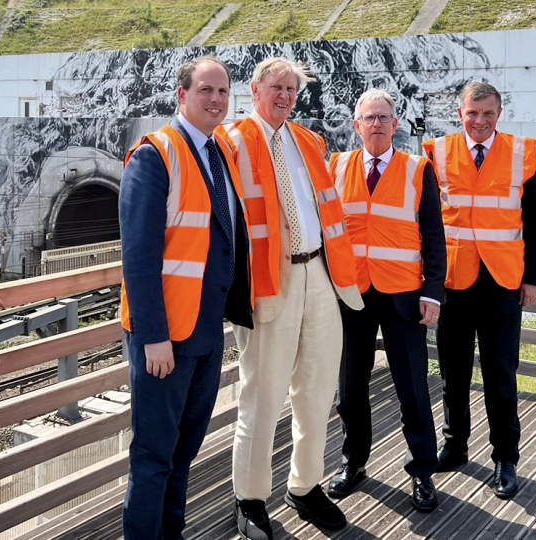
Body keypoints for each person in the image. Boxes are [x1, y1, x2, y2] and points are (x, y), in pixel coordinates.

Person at [218, 57, 364, 540]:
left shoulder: (308, 140)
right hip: (268, 282)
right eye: (276, 87)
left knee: (319, 389)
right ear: (255, 89)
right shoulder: (231, 140)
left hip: (318, 271)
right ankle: (251, 499)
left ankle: (305, 485)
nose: (285, 96)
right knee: (261, 396)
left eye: (292, 89)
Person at [119, 56, 253, 540]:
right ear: (182, 94)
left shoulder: (218, 153)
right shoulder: (155, 155)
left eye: (222, 92)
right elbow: (138, 256)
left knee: (183, 451)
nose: (215, 100)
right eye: (205, 90)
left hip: (205, 332)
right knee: (153, 457)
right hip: (165, 338)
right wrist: (153, 337)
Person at [422, 81, 536, 500]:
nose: (479, 122)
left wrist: (534, 279)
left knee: (500, 376)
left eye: (487, 114)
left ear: (499, 114)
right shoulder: (435, 153)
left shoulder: (521, 155)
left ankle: (505, 458)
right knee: (453, 374)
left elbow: (534, 222)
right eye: (472, 114)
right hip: (454, 284)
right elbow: (429, 224)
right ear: (460, 113)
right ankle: (455, 447)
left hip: (503, 284)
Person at [327, 89, 446, 511]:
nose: (376, 123)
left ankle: (422, 472)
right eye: (368, 117)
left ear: (395, 125)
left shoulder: (418, 169)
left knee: (413, 389)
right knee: (350, 389)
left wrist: (434, 291)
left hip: (404, 297)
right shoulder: (336, 167)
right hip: (351, 297)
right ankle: (353, 462)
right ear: (355, 125)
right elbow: (326, 233)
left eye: (383, 117)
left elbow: (434, 235)